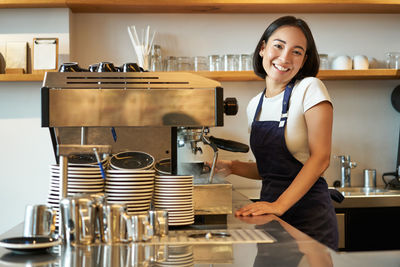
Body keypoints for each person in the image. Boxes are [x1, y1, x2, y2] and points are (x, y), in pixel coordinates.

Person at [214, 16, 338, 250]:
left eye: (296, 52)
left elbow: (320, 158)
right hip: (271, 218)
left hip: (309, 218)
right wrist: (232, 166)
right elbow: (272, 169)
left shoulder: (310, 88)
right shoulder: (254, 105)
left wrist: (278, 205)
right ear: (262, 49)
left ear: (304, 60)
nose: (284, 58)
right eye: (278, 46)